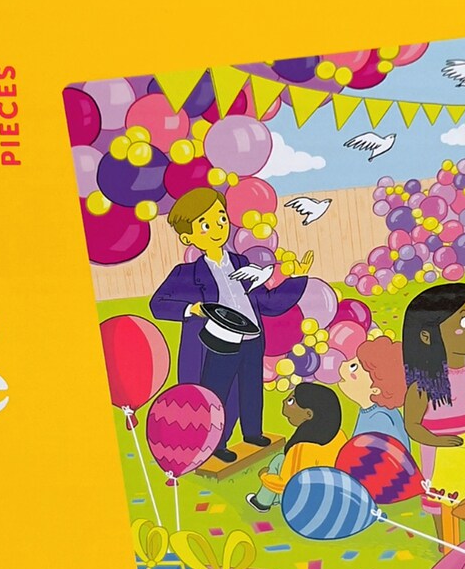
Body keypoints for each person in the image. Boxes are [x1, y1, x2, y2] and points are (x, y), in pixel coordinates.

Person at [149, 187, 312, 463]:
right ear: (188, 237)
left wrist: (297, 278)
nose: (218, 228)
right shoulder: (186, 273)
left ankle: (252, 432)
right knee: (217, 394)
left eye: (222, 218)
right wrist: (192, 309)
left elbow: (267, 301)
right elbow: (157, 304)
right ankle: (217, 443)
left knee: (250, 388)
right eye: (206, 225)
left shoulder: (241, 262)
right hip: (218, 342)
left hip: (252, 338)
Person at [402, 284, 465, 519]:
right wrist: (436, 441)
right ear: (426, 336)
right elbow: (412, 425)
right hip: (443, 459)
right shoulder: (423, 385)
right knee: (445, 508)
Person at [247, 382, 346, 511]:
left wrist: (264, 475)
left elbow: (287, 484)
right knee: (282, 460)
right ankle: (271, 499)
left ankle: (262, 502)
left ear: (308, 414)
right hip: (329, 495)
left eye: (291, 401)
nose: (284, 401)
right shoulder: (338, 435)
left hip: (304, 503)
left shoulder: (302, 448)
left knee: (278, 460)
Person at [335, 334, 409, 445]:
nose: (343, 364)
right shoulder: (372, 412)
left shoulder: (379, 418)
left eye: (353, 367)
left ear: (375, 389)